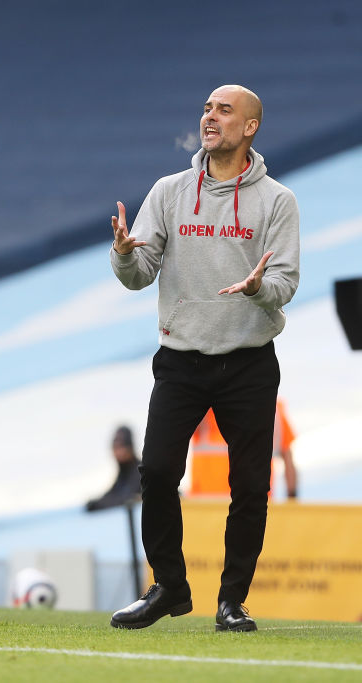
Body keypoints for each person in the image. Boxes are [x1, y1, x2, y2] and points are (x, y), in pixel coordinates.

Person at [108, 85, 299, 632]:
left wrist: (260, 288)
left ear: (250, 127)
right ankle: (169, 585)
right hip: (181, 359)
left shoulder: (278, 201)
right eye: (207, 109)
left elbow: (286, 282)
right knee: (159, 472)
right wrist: (123, 255)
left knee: (250, 487)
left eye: (224, 110)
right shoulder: (170, 191)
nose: (209, 117)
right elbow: (139, 275)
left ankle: (232, 600)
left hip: (248, 362)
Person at [86, 426, 142, 512]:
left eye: (120, 446)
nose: (117, 451)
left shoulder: (140, 471)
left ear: (130, 447)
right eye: (114, 446)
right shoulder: (123, 473)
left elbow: (128, 498)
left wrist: (99, 504)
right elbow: (113, 493)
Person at [273, 397, 298, 500]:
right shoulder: (274, 411)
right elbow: (288, 459)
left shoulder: (218, 399)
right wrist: (292, 498)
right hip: (252, 506)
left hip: (219, 503)